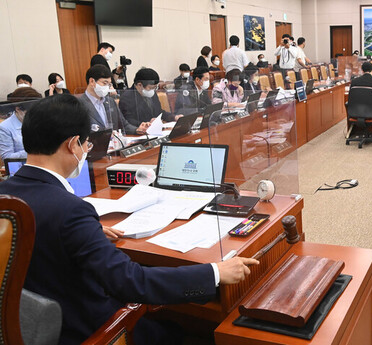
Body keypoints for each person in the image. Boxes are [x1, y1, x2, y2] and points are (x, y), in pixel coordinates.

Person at [0, 94, 259, 344]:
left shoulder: (6, 195)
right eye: (87, 144)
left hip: (30, 325)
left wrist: (86, 233)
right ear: (72, 144)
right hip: (85, 329)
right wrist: (214, 272)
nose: (86, 151)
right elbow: (130, 281)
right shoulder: (70, 210)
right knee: (177, 331)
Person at [78, 65, 147, 135]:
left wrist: (137, 129)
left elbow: (124, 125)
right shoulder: (79, 105)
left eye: (109, 84)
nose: (108, 87)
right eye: (105, 83)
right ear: (92, 81)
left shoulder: (110, 101)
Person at [0, 87, 41, 160]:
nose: (34, 114)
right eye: (29, 112)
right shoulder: (5, 127)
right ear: (18, 109)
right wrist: (34, 151)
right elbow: (6, 157)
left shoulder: (38, 121)